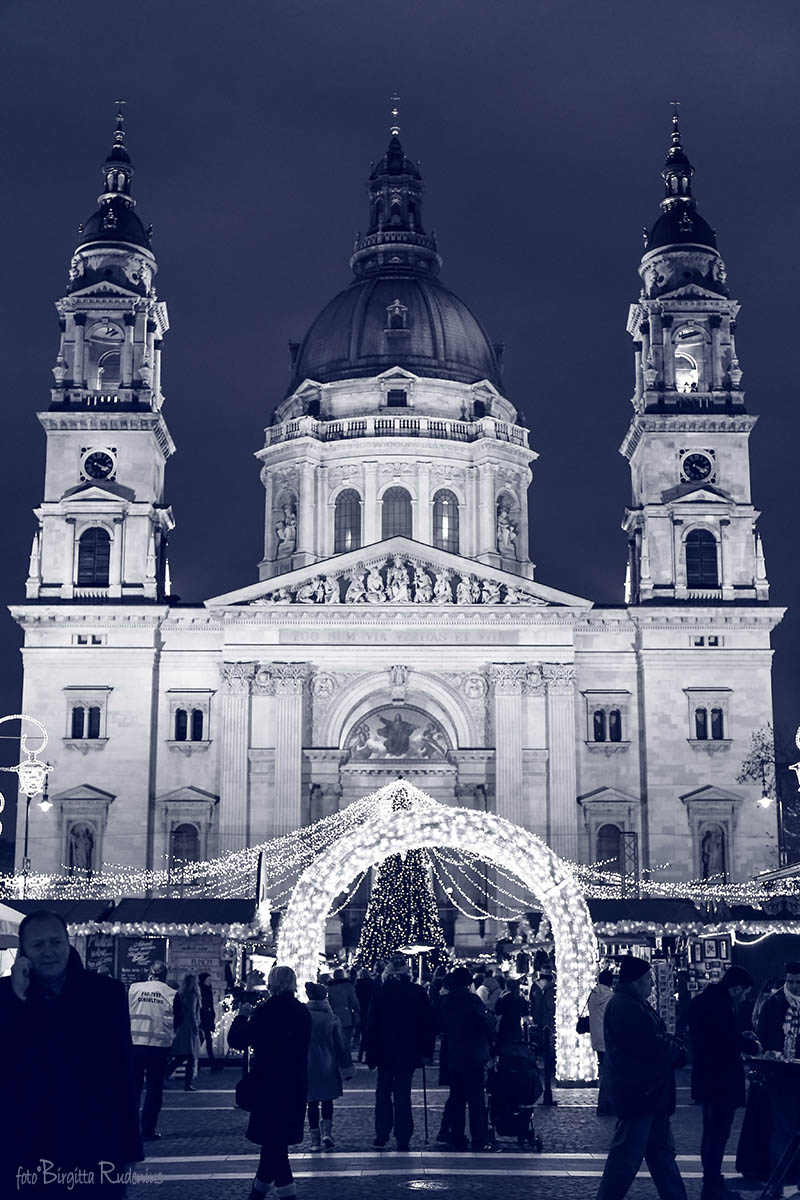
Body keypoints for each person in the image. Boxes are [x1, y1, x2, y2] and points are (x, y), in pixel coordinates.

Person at [0, 910, 142, 1193]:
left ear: (68, 943)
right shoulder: (6, 996)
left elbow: (123, 1072)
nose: (48, 952)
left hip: (93, 1140)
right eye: (37, 945)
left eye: (55, 942)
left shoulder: (105, 993)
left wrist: (129, 1147)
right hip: (23, 1144)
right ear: (23, 952)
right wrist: (16, 999)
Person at [596, 954, 688, 1200]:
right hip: (640, 1092)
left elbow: (654, 1039)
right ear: (636, 981)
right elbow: (649, 1044)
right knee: (626, 1158)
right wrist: (678, 1052)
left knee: (661, 1156)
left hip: (649, 1093)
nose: (652, 984)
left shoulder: (632, 1003)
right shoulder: (626, 1006)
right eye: (648, 979)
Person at [228, 965, 312, 1200]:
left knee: (274, 1145)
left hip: (269, 1086)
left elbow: (237, 1040)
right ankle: (257, 1195)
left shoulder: (266, 1012)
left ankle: (284, 1196)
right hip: (294, 1085)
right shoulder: (302, 1012)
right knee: (275, 1144)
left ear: (272, 984)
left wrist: (242, 1016)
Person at [689, 966, 758, 1199]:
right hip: (721, 1080)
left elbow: (718, 1036)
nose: (745, 998)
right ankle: (712, 1184)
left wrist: (739, 1037)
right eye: (745, 993)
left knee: (711, 1132)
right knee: (718, 1134)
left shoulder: (702, 1002)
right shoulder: (721, 1006)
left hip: (706, 1077)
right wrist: (752, 1046)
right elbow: (726, 1040)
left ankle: (711, 1181)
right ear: (736, 988)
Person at [365, 953, 436, 1151]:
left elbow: (371, 1025)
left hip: (384, 1051)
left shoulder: (380, 992)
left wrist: (370, 1054)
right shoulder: (417, 992)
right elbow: (427, 1024)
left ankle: (382, 1133)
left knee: (383, 1092)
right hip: (408, 1050)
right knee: (403, 1093)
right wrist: (426, 1052)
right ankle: (403, 1136)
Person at [438, 964, 496, 1151]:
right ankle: (479, 1138)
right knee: (476, 1099)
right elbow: (485, 1023)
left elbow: (440, 1025)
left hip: (453, 1054)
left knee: (457, 1097)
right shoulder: (472, 1000)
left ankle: (457, 1136)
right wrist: (490, 1018)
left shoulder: (447, 1001)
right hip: (473, 1054)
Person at [756, 961, 800, 1190]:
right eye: (790, 982)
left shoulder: (776, 1002)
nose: (794, 986)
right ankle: (779, 1183)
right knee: (783, 1129)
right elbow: (763, 1037)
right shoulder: (773, 1004)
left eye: (798, 982)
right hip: (783, 1075)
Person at [129, 959, 177, 1140]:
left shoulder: (134, 989)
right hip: (159, 1046)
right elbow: (179, 1017)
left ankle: (129, 1128)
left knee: (133, 1088)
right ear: (165, 975)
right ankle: (147, 1130)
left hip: (135, 1043)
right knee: (154, 1089)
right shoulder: (170, 993)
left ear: (150, 972)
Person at [305, 981, 354, 1150]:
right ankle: (327, 1133)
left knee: (311, 1102)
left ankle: (314, 1140)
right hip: (328, 1064)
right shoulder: (332, 1018)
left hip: (308, 1064)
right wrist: (347, 1068)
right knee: (327, 1100)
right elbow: (341, 1045)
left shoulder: (304, 1018)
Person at [168, 973, 202, 1091]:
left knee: (181, 1056)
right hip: (189, 1028)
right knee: (191, 1057)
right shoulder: (193, 995)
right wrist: (195, 1027)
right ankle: (188, 1084)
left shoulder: (181, 994)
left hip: (182, 1027)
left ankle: (164, 1076)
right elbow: (192, 1012)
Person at [588, 968, 615, 1116]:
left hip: (597, 1038)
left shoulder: (592, 995)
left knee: (604, 1069)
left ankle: (606, 1102)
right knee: (608, 1072)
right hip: (608, 1038)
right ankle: (605, 1103)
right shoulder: (610, 997)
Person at [328, 966, 360, 1050]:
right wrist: (357, 1009)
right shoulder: (348, 986)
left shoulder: (329, 987)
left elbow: (329, 1001)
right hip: (346, 1016)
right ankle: (346, 1056)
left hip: (333, 1015)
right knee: (346, 1041)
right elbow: (354, 1001)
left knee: (335, 1041)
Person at [495, 977, 530, 1048]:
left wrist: (500, 998)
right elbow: (525, 1012)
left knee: (506, 1048)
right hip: (517, 1026)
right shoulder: (520, 998)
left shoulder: (505, 998)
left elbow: (498, 1011)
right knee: (516, 1047)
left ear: (507, 987)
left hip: (505, 1026)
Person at [198, 971, 222, 1071]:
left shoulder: (206, 989)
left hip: (206, 1017)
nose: (210, 981)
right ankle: (211, 1062)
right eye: (208, 979)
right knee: (205, 1039)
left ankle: (200, 1061)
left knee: (204, 1039)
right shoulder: (203, 990)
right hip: (204, 1017)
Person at [355, 969, 375, 1063]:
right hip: (370, 1010)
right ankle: (367, 1056)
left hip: (361, 1011)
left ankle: (360, 1056)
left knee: (362, 1034)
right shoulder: (373, 984)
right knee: (369, 1034)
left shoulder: (358, 985)